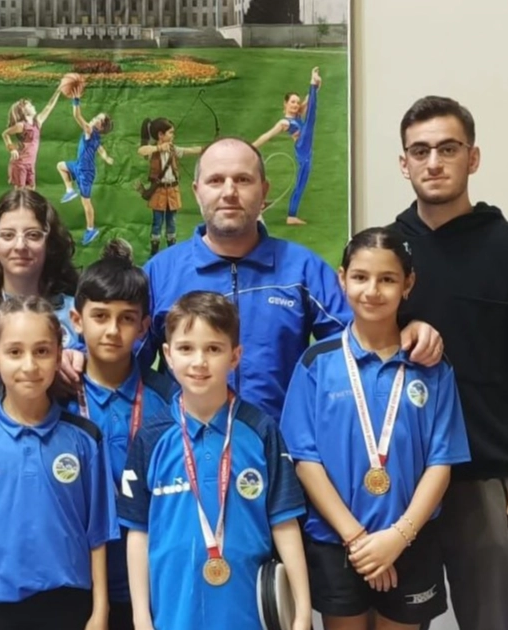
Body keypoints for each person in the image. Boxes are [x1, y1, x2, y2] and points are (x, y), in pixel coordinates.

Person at [391, 96, 508, 630]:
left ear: (473, 157)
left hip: (485, 475)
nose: (434, 162)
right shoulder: (384, 253)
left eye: (448, 149)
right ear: (404, 163)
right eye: (420, 151)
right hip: (397, 477)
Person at [133, 136, 444, 422]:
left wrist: (409, 328)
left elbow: (362, 341)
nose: (229, 192)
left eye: (243, 180)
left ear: (264, 191)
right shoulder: (161, 273)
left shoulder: (303, 269)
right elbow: (125, 364)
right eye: (216, 180)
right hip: (184, 451)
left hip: (285, 450)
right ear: (196, 191)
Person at [280, 228, 471, 630]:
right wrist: (356, 539)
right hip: (337, 541)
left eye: (387, 279)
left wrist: (398, 537)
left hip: (411, 538)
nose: (372, 290)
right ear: (342, 279)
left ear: (408, 284)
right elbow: (305, 461)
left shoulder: (432, 367)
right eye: (360, 277)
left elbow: (442, 462)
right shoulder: (317, 363)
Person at [118, 291, 313, 630]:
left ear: (235, 356)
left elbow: (284, 523)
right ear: (168, 355)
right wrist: (141, 618)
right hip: (173, 617)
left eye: (213, 349)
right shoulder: (151, 437)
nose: (199, 362)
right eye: (186, 348)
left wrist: (302, 613)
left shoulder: (261, 430)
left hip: (247, 616)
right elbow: (138, 532)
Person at [0, 295, 118, 630]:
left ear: (58, 356)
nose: (30, 366)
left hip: (69, 607)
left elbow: (97, 535)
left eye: (42, 351)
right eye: (15, 352)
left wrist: (100, 611)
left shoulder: (85, 438)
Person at [64, 238, 176, 630]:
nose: (112, 330)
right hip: (75, 580)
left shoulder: (170, 400)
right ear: (77, 320)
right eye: (100, 316)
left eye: (127, 319)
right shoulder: (55, 396)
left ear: (144, 327)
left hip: (152, 580)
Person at [0, 189, 80, 421]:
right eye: (8, 235)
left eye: (33, 235)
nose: (20, 245)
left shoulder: (74, 314)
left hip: (56, 440)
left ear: (49, 243)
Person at [253, 66, 322, 226]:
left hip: (306, 150)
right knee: (310, 119)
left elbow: (311, 101)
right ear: (285, 104)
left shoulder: (298, 115)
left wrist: (317, 83)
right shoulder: (284, 122)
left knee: (301, 184)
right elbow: (267, 135)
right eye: (292, 102)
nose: (296, 105)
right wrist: (251, 146)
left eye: (297, 102)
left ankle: (292, 216)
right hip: (302, 149)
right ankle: (291, 217)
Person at [136, 117, 203, 255]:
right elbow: (141, 150)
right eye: (170, 132)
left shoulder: (173, 149)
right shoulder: (152, 151)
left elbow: (190, 150)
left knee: (171, 222)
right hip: (158, 191)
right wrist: (159, 148)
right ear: (161, 134)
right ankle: (154, 252)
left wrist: (206, 148)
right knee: (157, 223)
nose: (173, 135)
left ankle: (172, 251)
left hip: (172, 190)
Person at [56, 92, 115, 246]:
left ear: (100, 126)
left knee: (86, 202)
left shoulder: (89, 130)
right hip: (79, 166)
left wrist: (76, 99)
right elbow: (100, 149)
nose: (94, 118)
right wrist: (106, 157)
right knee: (61, 166)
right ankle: (69, 190)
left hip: (86, 172)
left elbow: (77, 115)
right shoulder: (96, 137)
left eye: (98, 119)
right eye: (96, 116)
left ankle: (91, 229)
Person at [2, 87, 63, 191]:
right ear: (24, 111)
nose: (33, 106)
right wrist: (12, 149)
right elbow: (5, 134)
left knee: (31, 189)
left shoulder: (37, 122)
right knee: (20, 191)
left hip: (30, 164)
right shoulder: (21, 125)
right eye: (30, 106)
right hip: (20, 163)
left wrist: (58, 90)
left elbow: (49, 106)